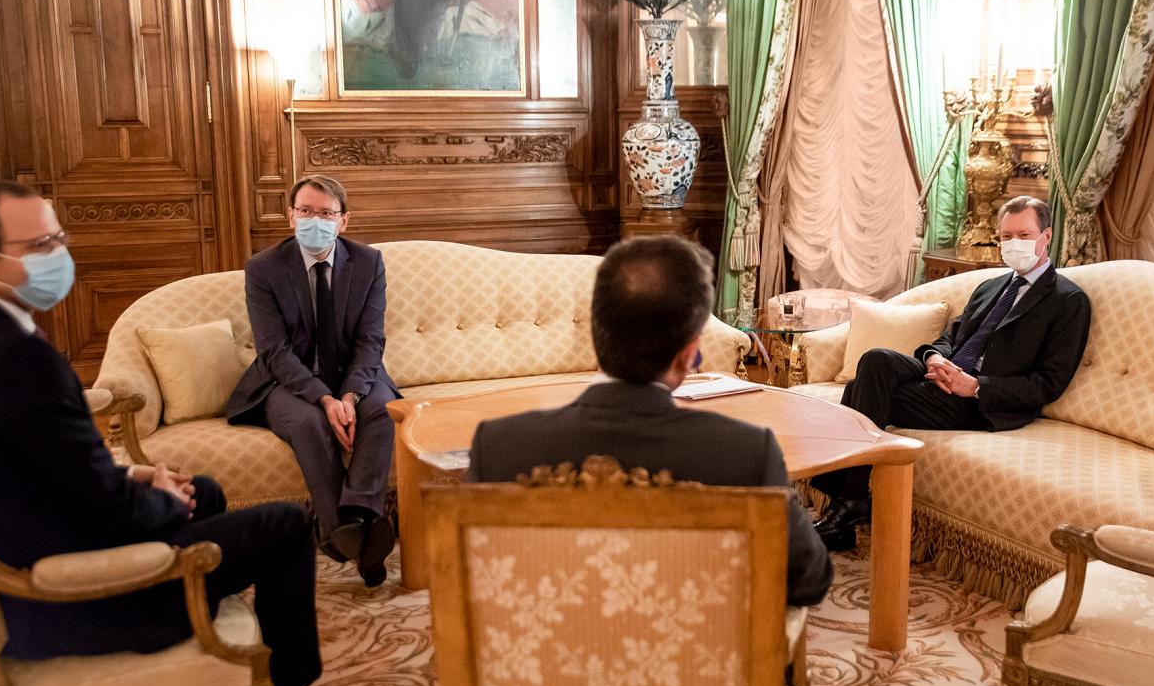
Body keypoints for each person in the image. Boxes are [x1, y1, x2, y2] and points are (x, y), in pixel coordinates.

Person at [0, 180, 380, 686]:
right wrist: (161, 500)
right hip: (78, 597)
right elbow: (102, 508)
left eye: (60, 239)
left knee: (204, 488)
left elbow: (40, 470)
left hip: (43, 541)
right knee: (282, 527)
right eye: (43, 243)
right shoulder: (16, 359)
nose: (60, 255)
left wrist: (142, 478)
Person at [466, 235, 832, 607]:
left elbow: (473, 588)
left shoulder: (497, 447)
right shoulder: (747, 454)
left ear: (597, 335)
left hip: (538, 665)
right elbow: (808, 581)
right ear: (688, 354)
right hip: (700, 663)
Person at [811, 196, 1092, 550]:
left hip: (980, 401)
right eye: (1006, 237)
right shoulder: (991, 287)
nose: (1013, 244)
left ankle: (846, 505)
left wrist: (975, 386)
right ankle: (850, 503)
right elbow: (950, 338)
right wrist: (933, 359)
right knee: (877, 360)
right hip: (943, 376)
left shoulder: (1068, 301)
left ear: (1046, 235)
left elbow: (1048, 384)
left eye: (1023, 235)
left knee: (861, 389)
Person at [226, 175, 399, 587]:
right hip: (286, 382)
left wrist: (351, 395)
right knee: (308, 422)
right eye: (305, 211)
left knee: (382, 410)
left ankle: (354, 523)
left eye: (325, 213)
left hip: (354, 376)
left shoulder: (369, 262)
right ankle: (354, 533)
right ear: (290, 216)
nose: (314, 220)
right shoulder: (263, 268)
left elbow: (370, 339)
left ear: (343, 221)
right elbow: (274, 351)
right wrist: (325, 399)